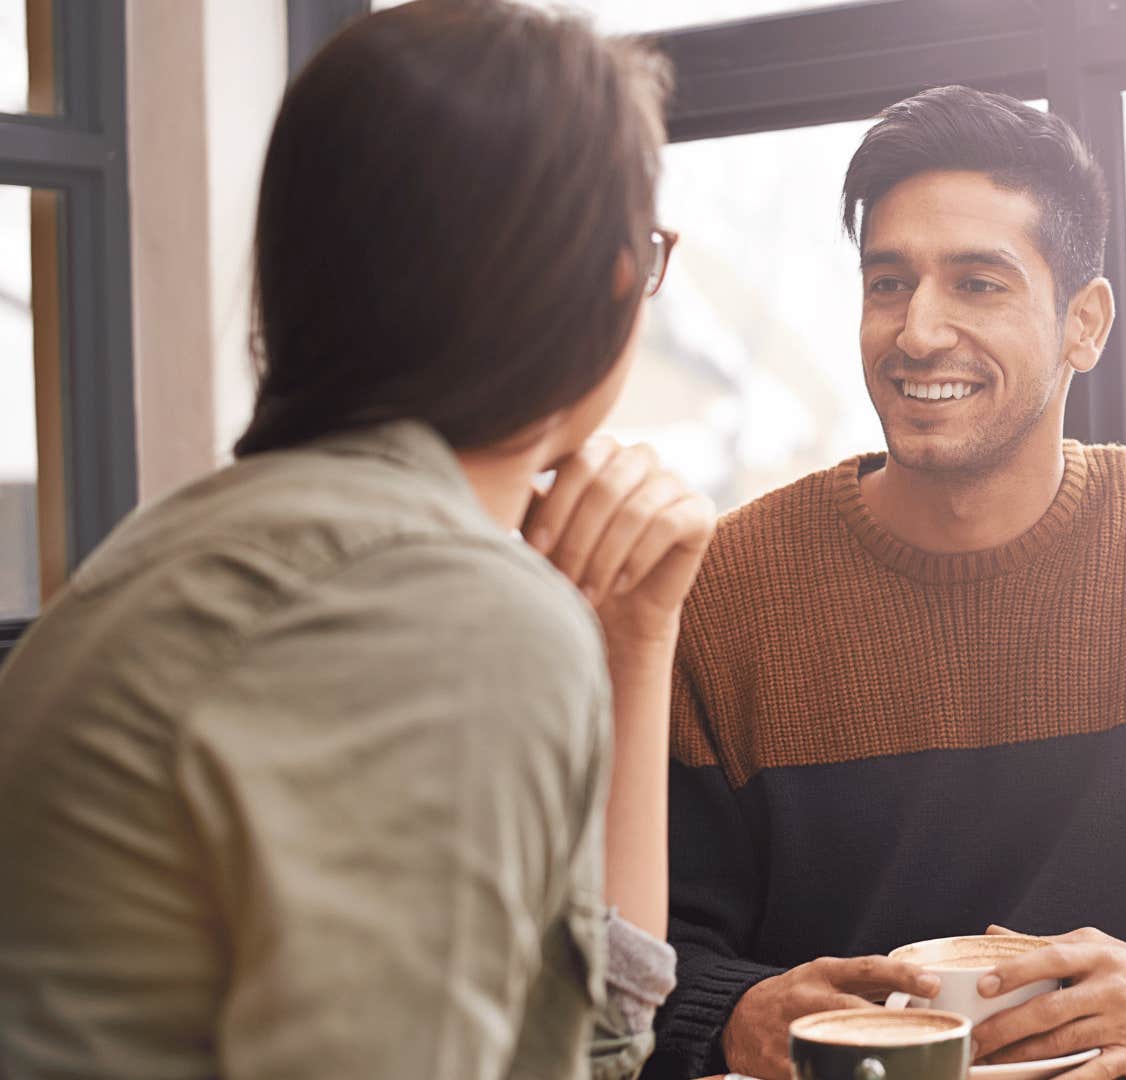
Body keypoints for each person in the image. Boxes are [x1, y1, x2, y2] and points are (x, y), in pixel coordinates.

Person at [645, 86, 1126, 1080]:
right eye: (888, 284)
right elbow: (636, 942)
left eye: (978, 284)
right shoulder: (728, 587)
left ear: (1084, 324)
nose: (919, 332)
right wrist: (731, 1013)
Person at [0, 3, 711, 1077]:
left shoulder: (195, 543)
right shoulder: (433, 607)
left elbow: (592, 1049)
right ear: (616, 278)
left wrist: (636, 638)